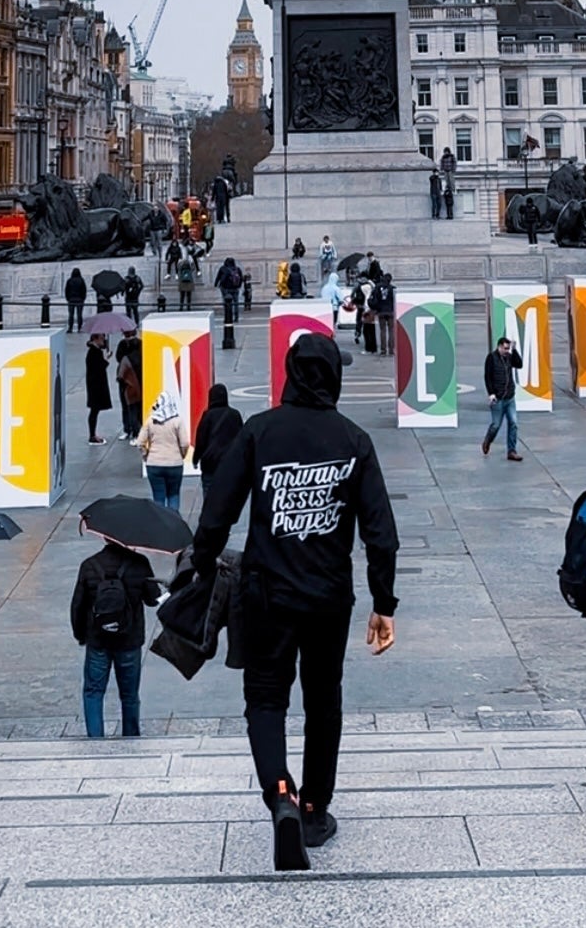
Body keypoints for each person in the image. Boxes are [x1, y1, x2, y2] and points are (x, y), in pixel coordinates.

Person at [192, 333, 399, 871]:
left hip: (266, 592)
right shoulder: (353, 441)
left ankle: (279, 793)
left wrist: (202, 560)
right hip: (329, 596)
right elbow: (381, 531)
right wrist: (384, 601)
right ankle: (313, 808)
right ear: (333, 376)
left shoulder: (260, 432)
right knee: (323, 701)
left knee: (265, 698)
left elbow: (219, 509)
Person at [70, 536, 161, 738]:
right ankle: (130, 737)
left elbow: (78, 605)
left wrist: (80, 635)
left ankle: (95, 738)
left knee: (93, 692)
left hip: (98, 639)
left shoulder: (89, 565)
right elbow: (152, 599)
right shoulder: (139, 563)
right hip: (129, 640)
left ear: (104, 536)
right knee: (129, 695)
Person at [138, 390, 190, 510]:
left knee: (158, 497)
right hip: (174, 464)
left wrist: (146, 455)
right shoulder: (177, 421)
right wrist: (181, 455)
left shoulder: (151, 421)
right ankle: (174, 523)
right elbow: (185, 443)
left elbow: (140, 443)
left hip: (154, 464)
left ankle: (160, 524)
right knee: (174, 495)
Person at [193, 383, 243, 499]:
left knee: (209, 495)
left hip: (210, 463)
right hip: (229, 463)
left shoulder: (207, 416)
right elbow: (242, 439)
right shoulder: (234, 415)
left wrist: (196, 458)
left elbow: (201, 440)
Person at [482, 336, 524, 461]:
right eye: (505, 348)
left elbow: (519, 364)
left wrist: (515, 350)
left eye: (508, 348)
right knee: (496, 425)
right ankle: (488, 440)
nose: (507, 351)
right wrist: (491, 393)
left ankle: (512, 451)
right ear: (499, 347)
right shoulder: (491, 358)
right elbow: (487, 377)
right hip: (498, 398)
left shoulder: (509, 358)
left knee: (513, 424)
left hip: (509, 397)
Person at [85, 333, 111, 444]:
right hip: (95, 386)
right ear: (95, 339)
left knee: (95, 410)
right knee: (94, 410)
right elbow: (98, 368)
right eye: (101, 338)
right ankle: (92, 435)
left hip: (95, 385)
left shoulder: (96, 352)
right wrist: (105, 359)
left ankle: (93, 434)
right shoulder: (93, 353)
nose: (103, 340)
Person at [116, 338, 142, 442]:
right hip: (141, 388)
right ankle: (138, 432)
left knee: (129, 410)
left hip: (129, 389)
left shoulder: (126, 359)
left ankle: (130, 431)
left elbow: (121, 375)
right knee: (138, 410)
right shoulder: (143, 357)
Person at [215, 257, 244, 325]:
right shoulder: (237, 269)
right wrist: (238, 286)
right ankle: (236, 317)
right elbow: (241, 278)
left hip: (226, 289)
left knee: (227, 304)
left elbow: (218, 277)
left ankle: (228, 317)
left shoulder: (223, 268)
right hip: (235, 289)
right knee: (236, 303)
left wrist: (216, 284)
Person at [373, 272, 396, 356]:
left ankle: (383, 350)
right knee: (391, 330)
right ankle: (391, 350)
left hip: (381, 311)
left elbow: (375, 299)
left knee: (382, 330)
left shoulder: (378, 287)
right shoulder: (393, 288)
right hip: (390, 311)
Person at [65, 268, 87, 333]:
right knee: (79, 315)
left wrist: (68, 298)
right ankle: (80, 328)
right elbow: (84, 290)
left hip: (71, 300)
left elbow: (66, 290)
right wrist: (83, 298)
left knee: (71, 315)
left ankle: (70, 328)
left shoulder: (69, 280)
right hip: (79, 300)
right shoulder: (81, 280)